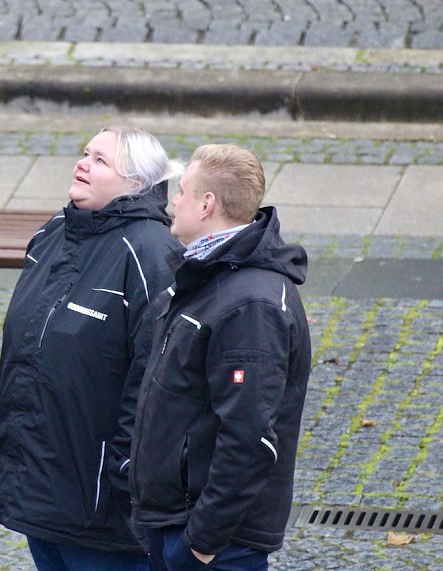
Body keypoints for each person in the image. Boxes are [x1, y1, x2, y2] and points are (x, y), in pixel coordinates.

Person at [0, 125, 184, 570]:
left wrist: (124, 474)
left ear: (135, 184)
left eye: (100, 160)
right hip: (38, 484)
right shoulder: (54, 233)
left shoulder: (151, 254)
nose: (82, 163)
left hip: (101, 505)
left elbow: (154, 380)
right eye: (85, 152)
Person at [129, 143, 312, 571]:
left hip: (214, 543)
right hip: (177, 523)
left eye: (182, 191)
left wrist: (201, 544)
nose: (173, 200)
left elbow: (249, 437)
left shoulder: (250, 305)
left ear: (207, 204)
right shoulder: (210, 275)